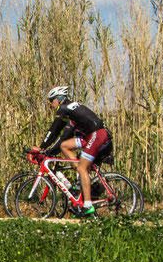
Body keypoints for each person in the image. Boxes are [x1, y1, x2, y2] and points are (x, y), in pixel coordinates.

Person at [32, 86, 113, 217]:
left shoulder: (64, 109)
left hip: (97, 135)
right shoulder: (70, 108)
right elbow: (61, 136)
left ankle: (87, 206)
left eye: (51, 101)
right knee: (65, 145)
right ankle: (79, 173)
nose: (51, 104)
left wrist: (41, 148)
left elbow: (54, 130)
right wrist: (49, 150)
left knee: (83, 168)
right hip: (90, 135)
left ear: (58, 100)